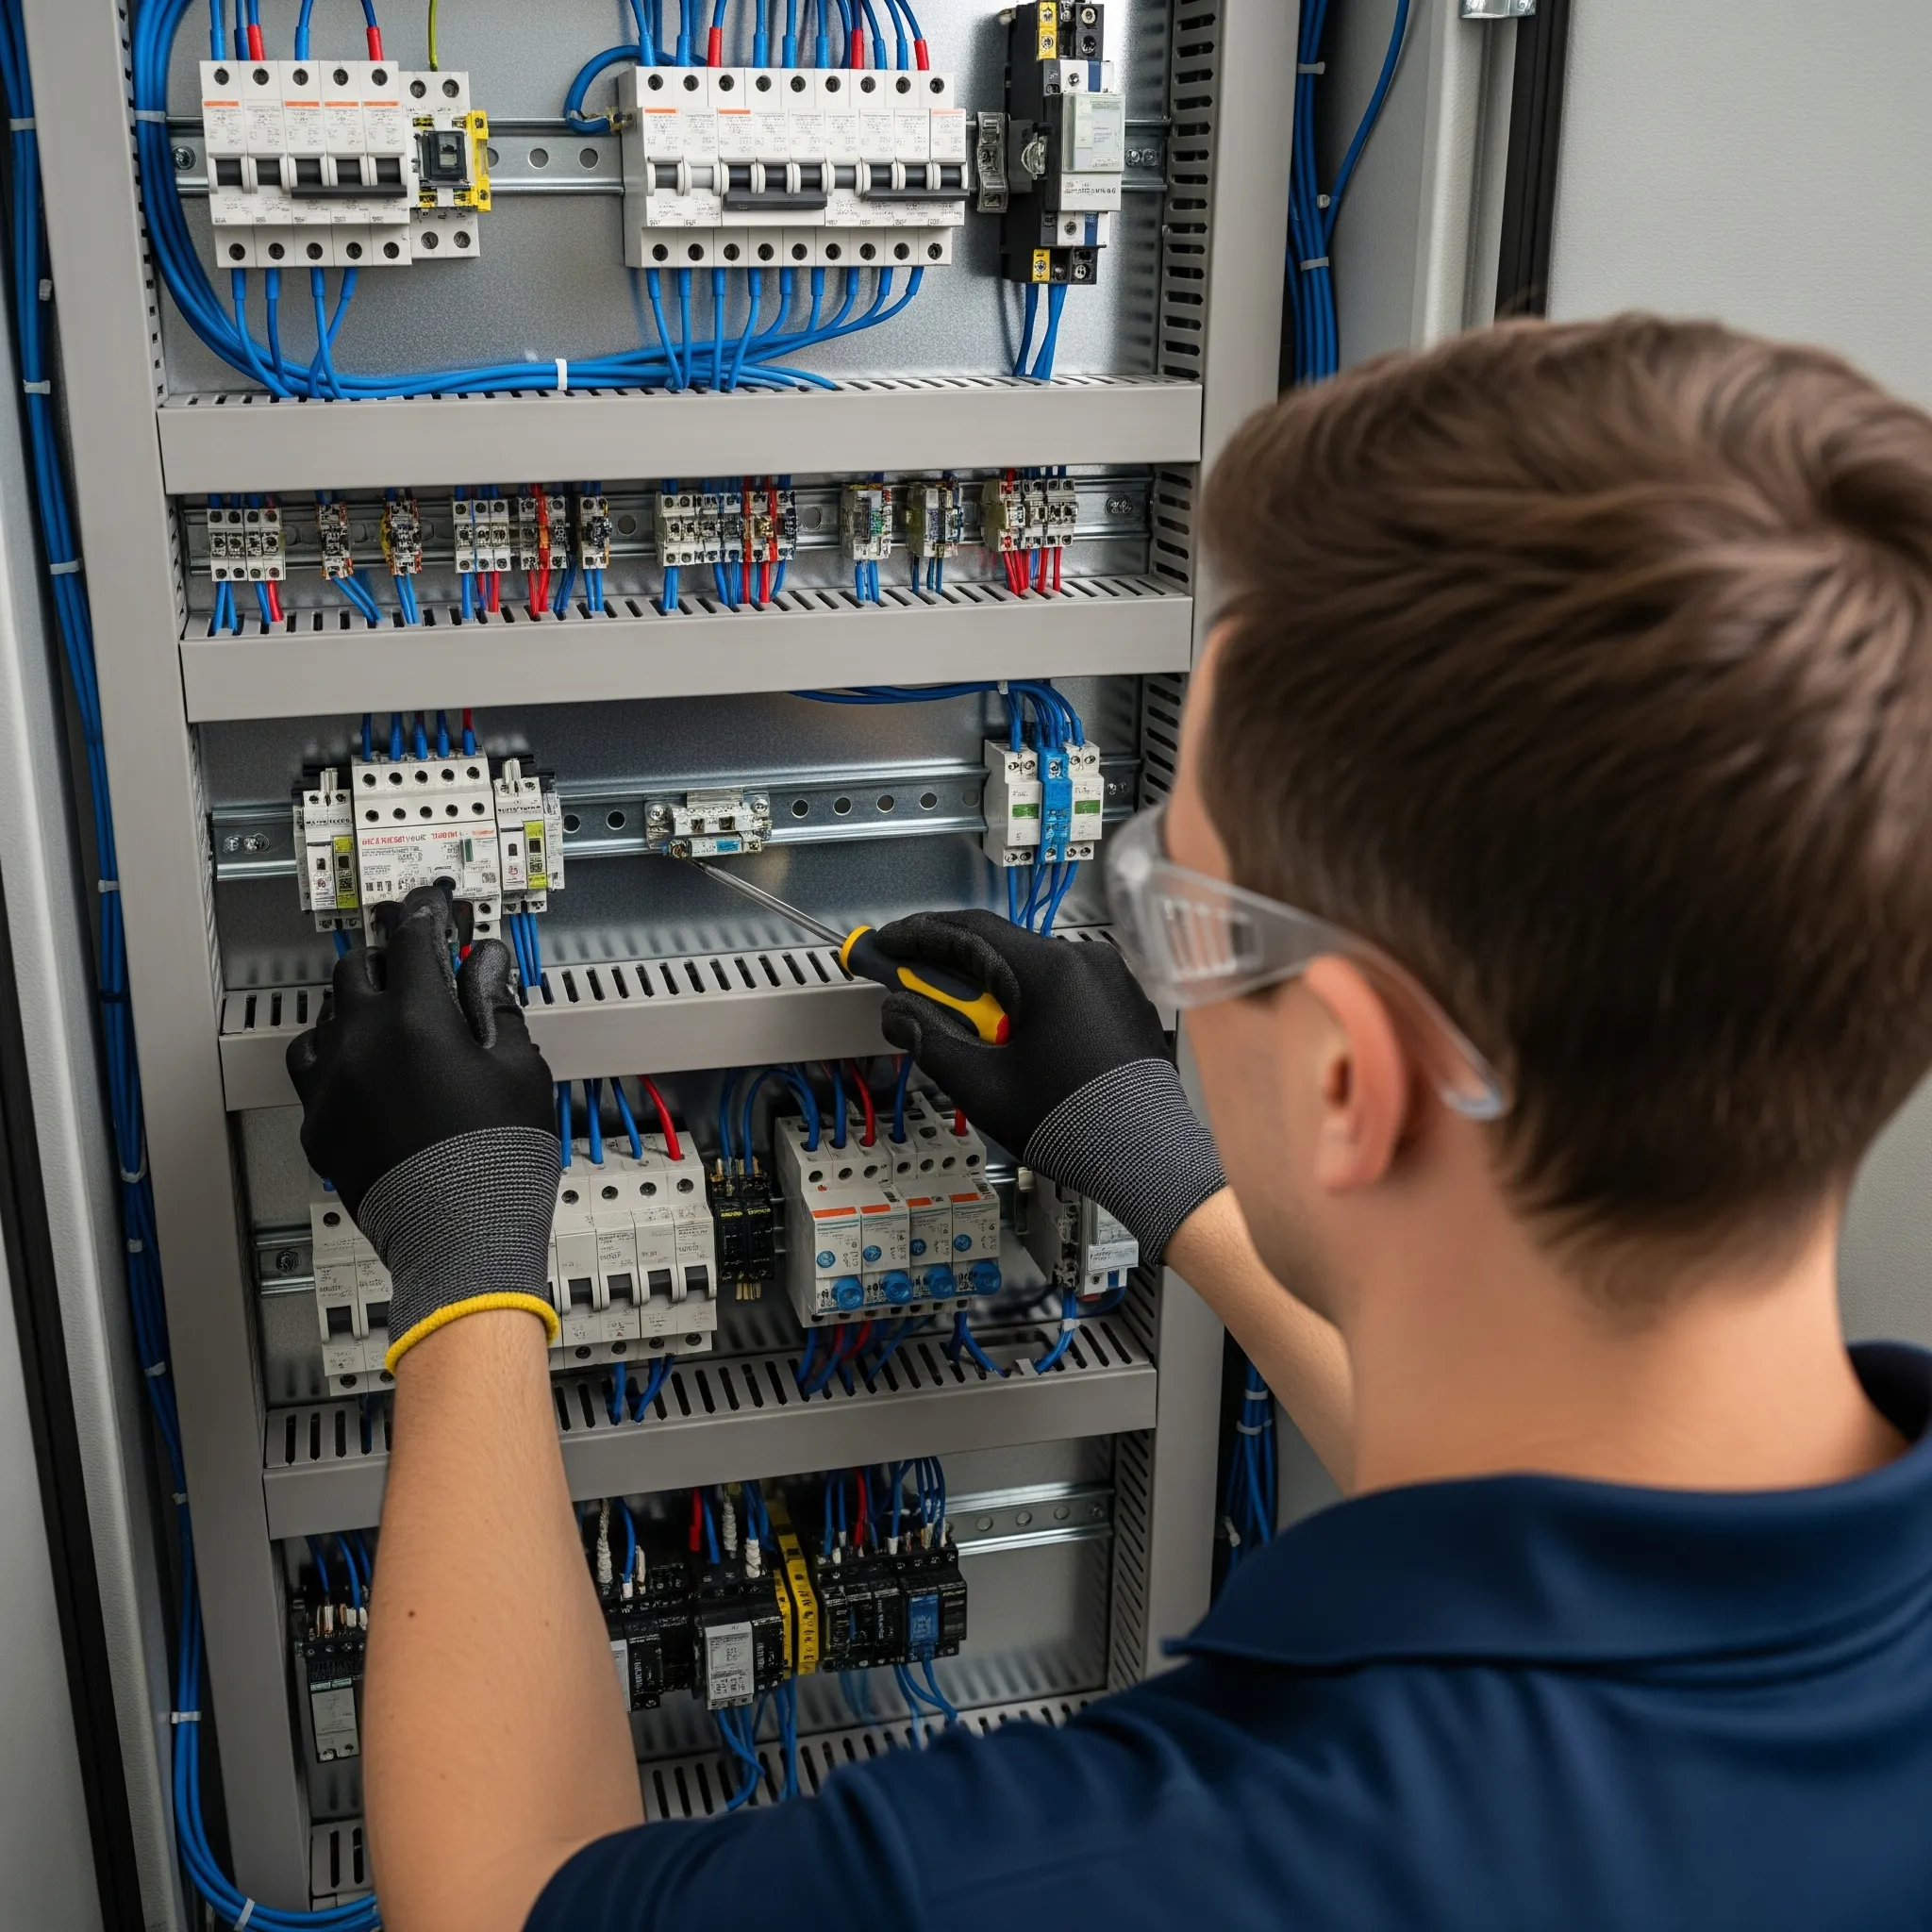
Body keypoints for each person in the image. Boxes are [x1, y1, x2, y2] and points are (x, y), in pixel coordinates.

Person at [287, 314, 1932, 1932]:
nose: (1155, 952)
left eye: (1179, 903)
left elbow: (497, 1900)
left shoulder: (1089, 1876)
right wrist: (1166, 1158)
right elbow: (1564, 1513)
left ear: (1352, 1080)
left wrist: (460, 1253)